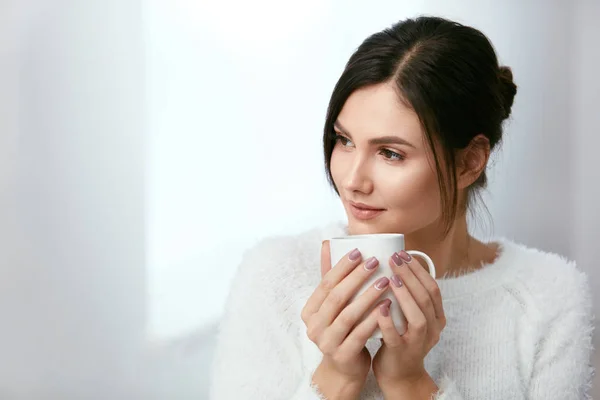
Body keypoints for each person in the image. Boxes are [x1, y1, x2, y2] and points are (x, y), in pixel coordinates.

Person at [208, 16, 594, 399]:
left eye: (390, 153)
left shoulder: (547, 298)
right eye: (343, 140)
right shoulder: (274, 277)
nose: (352, 180)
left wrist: (409, 385)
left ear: (468, 162)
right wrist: (335, 378)